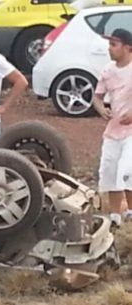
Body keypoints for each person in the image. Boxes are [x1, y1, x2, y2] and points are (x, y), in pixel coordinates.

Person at [91, 28, 132, 226]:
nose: (110, 49)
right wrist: (101, 110)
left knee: (127, 171)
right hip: (113, 131)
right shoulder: (108, 71)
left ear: (128, 48)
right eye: (109, 44)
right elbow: (97, 97)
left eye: (114, 44)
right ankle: (115, 216)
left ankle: (130, 212)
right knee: (110, 170)